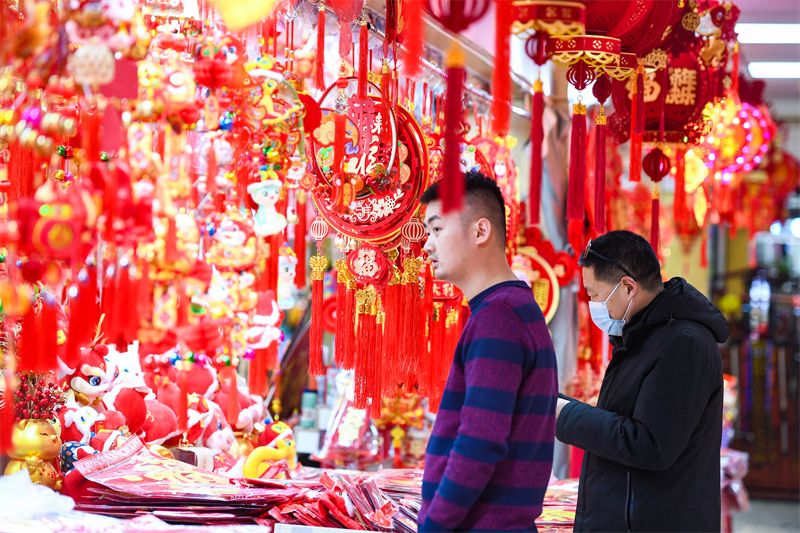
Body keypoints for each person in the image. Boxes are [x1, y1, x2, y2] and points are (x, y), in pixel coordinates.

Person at [556, 230, 729, 532]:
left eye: (594, 294)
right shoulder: (643, 336)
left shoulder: (682, 345)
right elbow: (619, 420)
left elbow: (650, 444)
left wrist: (563, 415)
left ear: (627, 287)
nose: (593, 303)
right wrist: (553, 404)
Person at [417, 171, 558, 532]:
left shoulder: (499, 316)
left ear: (481, 232)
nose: (426, 246)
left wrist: (434, 525)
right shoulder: (507, 308)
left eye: (436, 230)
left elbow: (480, 441)